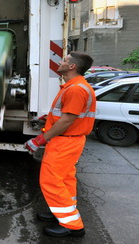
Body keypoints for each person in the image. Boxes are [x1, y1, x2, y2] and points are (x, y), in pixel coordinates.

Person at [24, 51, 96, 238]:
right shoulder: (74, 86)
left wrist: (39, 139)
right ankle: (62, 214)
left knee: (51, 181)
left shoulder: (76, 89)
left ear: (72, 66)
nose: (60, 62)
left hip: (65, 142)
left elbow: (67, 121)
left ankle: (73, 225)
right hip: (68, 141)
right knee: (64, 180)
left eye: (64, 60)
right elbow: (66, 115)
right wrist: (46, 119)